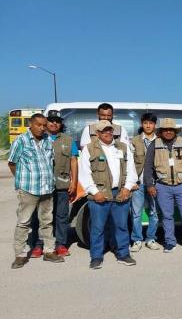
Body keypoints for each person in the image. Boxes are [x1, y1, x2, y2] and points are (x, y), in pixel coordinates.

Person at [78, 120, 138, 269]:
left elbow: (131, 170)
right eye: (104, 131)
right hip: (100, 195)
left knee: (121, 226)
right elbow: (84, 174)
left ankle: (123, 254)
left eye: (110, 130)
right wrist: (95, 192)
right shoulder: (89, 149)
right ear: (97, 133)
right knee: (98, 228)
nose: (108, 133)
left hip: (120, 193)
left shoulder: (123, 147)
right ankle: (96, 257)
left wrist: (127, 188)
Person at [8, 114, 64, 269]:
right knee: (24, 222)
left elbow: (50, 161)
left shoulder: (47, 140)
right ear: (31, 124)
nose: (42, 128)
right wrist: (22, 181)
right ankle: (20, 254)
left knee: (47, 221)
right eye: (38, 125)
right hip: (28, 189)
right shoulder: (21, 140)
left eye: (44, 125)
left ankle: (49, 251)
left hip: (46, 188)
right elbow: (12, 163)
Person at [27, 110, 78, 258]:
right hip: (41, 186)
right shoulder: (39, 139)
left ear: (61, 123)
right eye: (51, 120)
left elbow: (73, 161)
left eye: (57, 120)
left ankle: (61, 244)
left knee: (61, 216)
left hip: (61, 185)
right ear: (46, 122)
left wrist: (74, 182)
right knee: (39, 216)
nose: (54, 123)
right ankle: (38, 244)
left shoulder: (68, 140)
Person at [143, 118, 182, 253]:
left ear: (175, 131)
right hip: (162, 186)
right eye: (165, 130)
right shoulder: (154, 144)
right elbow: (148, 166)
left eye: (171, 130)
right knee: (167, 216)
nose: (168, 132)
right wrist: (150, 185)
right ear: (161, 131)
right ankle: (170, 242)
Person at [129, 113, 160, 252]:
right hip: (139, 183)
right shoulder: (134, 141)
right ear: (142, 124)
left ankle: (151, 238)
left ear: (155, 125)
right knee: (136, 213)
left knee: (154, 212)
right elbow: (129, 163)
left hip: (156, 183)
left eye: (151, 123)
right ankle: (136, 240)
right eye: (146, 123)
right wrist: (131, 181)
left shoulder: (160, 140)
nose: (148, 125)